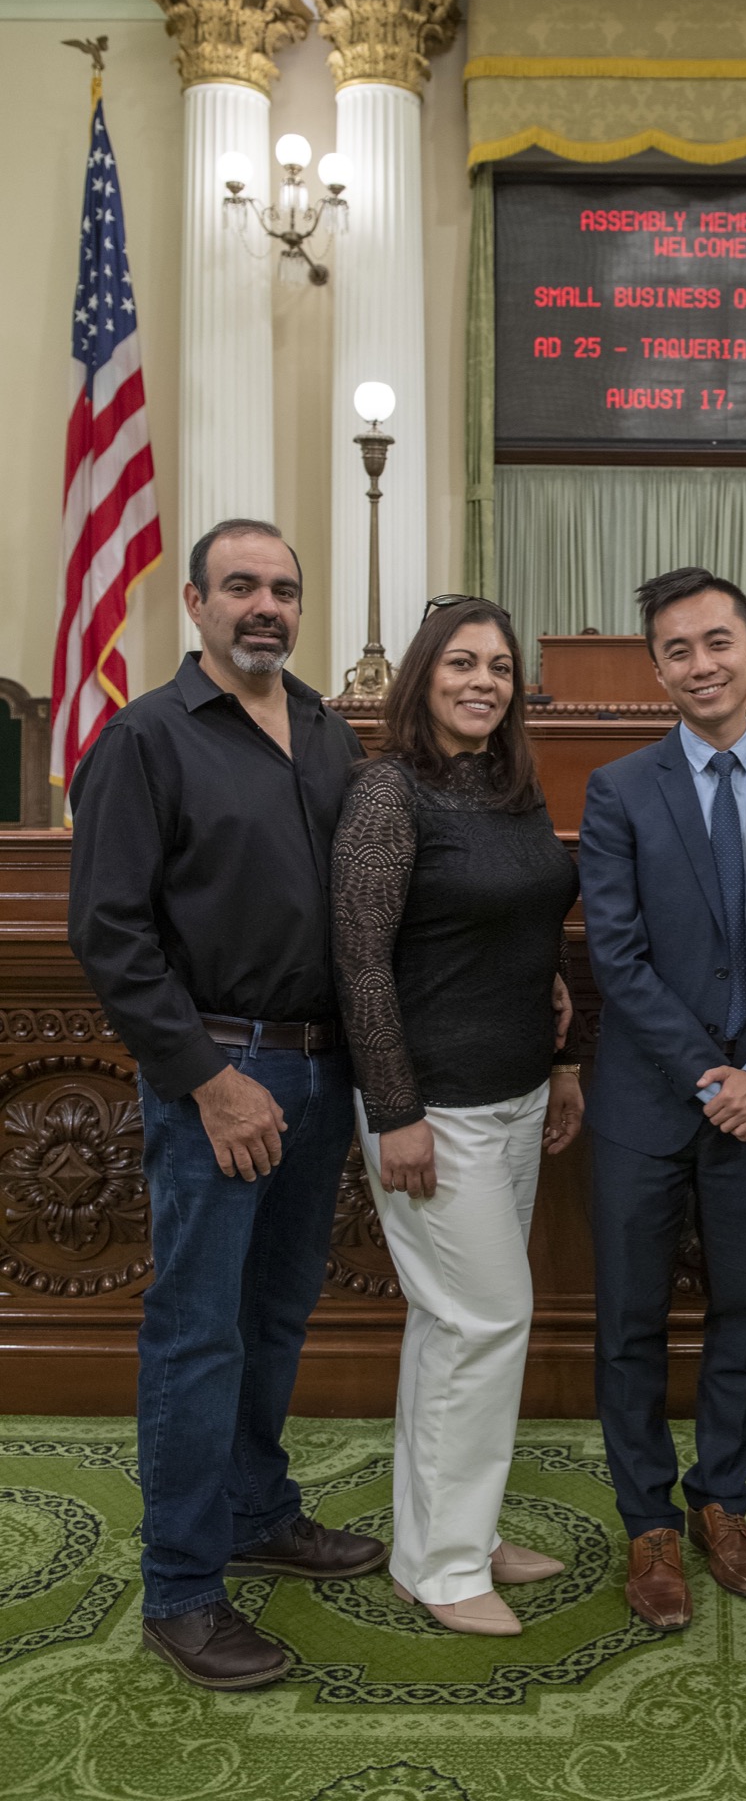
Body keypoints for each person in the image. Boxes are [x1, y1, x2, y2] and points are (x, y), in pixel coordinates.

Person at [68, 519, 385, 1693]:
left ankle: (257, 1507)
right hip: (220, 1075)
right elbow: (108, 930)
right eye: (241, 585)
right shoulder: (146, 737)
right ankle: (183, 1588)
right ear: (194, 603)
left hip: (320, 1069)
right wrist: (207, 1077)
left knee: (278, 1316)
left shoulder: (324, 729)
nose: (266, 605)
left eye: (284, 589)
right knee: (199, 1333)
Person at [579, 567, 746, 1630]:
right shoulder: (619, 788)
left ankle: (721, 1500)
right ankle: (647, 1518)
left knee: (744, 1311)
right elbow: (617, 953)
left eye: (718, 641)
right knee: (631, 1321)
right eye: (679, 649)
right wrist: (710, 1073)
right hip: (648, 1102)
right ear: (657, 667)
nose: (701, 663)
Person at [331, 597, 582, 1637]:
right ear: (425, 674)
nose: (483, 679)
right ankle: (440, 1565)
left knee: (461, 1328)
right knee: (481, 1321)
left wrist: (562, 1061)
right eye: (463, 662)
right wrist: (394, 1111)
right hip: (431, 1105)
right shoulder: (387, 791)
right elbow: (358, 958)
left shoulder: (510, 784)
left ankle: (454, 1535)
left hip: (519, 1091)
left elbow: (533, 934)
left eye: (500, 665)